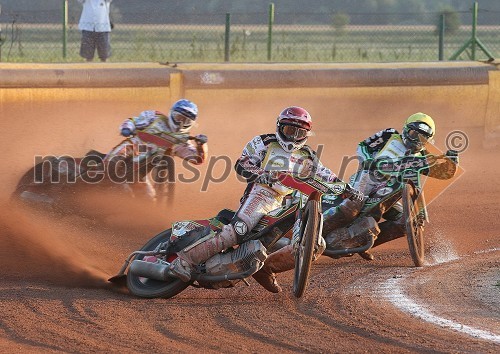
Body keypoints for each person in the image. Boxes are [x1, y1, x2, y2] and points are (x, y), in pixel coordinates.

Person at [253, 112, 460, 293]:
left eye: (421, 137)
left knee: (404, 224)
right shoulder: (389, 135)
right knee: (353, 207)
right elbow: (362, 146)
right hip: (368, 179)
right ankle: (313, 230)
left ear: (428, 140)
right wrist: (366, 159)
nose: (415, 139)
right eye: (413, 133)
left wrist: (450, 164)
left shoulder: (422, 157)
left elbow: (442, 173)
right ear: (405, 129)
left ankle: (361, 244)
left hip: (390, 194)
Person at [168, 106, 363, 284]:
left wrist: (348, 190)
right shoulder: (264, 142)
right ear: (279, 127)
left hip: (290, 201)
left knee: (315, 244)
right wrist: (264, 175)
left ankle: (267, 269)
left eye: (299, 133)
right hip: (262, 193)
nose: (293, 137)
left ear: (306, 134)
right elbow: (242, 164)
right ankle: (185, 262)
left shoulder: (308, 155)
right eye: (289, 131)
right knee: (239, 230)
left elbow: (326, 175)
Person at [104, 99, 208, 199]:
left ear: (191, 124)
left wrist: (201, 145)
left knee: (148, 199)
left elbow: (197, 159)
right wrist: (127, 128)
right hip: (133, 147)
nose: (181, 123)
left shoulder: (183, 140)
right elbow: (133, 121)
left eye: (186, 121)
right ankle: (94, 176)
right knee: (113, 162)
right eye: (179, 118)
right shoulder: (155, 117)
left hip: (139, 170)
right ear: (172, 113)